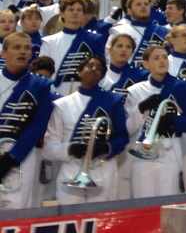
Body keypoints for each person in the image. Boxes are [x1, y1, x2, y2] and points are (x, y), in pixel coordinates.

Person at [44, 55, 129, 204]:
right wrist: (71, 149)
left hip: (103, 171)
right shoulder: (62, 104)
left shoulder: (113, 101)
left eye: (99, 68)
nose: (94, 69)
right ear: (79, 71)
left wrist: (105, 148)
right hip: (71, 172)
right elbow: (50, 148)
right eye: (90, 65)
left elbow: (122, 137)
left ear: (103, 75)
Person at [124, 45, 186, 198]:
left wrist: (173, 122)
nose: (162, 61)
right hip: (142, 152)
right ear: (146, 64)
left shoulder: (182, 87)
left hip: (169, 150)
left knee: (168, 200)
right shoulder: (135, 91)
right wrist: (140, 109)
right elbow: (128, 128)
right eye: (156, 58)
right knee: (143, 201)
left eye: (165, 57)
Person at [0, 32, 54, 209]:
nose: (22, 52)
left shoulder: (41, 85)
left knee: (17, 208)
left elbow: (38, 125)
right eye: (17, 47)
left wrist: (12, 157)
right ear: (3, 53)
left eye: (27, 48)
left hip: (21, 156)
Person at [40, 0, 106, 96]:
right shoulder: (49, 41)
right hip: (55, 94)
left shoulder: (95, 39)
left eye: (79, 10)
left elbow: (101, 69)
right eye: (71, 10)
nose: (75, 13)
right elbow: (42, 72)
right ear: (62, 14)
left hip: (87, 94)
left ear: (83, 14)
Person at [106, 0, 169, 68]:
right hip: (128, 77)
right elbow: (109, 58)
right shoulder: (119, 30)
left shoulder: (163, 31)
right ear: (129, 11)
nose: (143, 6)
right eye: (138, 4)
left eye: (146, 4)